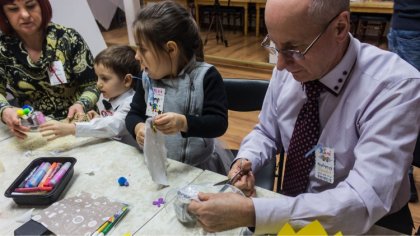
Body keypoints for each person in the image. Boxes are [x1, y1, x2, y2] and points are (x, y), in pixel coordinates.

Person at [188, 0, 420, 234]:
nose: (280, 65)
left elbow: (362, 199)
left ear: (340, 27)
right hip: (292, 207)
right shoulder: (294, 67)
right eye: (275, 47)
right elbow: (267, 131)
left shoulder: (394, 87)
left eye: (293, 50)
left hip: (370, 222)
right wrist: (247, 158)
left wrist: (252, 213)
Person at [125, 1, 229, 174]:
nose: (136, 56)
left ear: (171, 49)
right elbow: (133, 114)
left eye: (143, 49)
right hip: (159, 166)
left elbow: (218, 123)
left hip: (197, 169)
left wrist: (184, 123)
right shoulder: (147, 78)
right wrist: (138, 128)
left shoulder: (206, 77)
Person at [0, 0, 99, 140]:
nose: (25, 15)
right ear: (4, 14)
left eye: (30, 6)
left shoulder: (69, 38)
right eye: (13, 9)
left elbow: (92, 84)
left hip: (77, 125)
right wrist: (5, 110)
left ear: (42, 6)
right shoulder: (3, 49)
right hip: (35, 130)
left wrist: (81, 104)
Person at [39, 45, 140, 147]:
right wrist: (98, 118)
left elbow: (112, 126)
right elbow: (110, 122)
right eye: (97, 77)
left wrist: (72, 129)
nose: (98, 84)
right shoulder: (115, 96)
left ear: (127, 80)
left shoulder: (131, 103)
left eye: (104, 78)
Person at [387, 0, 420, 204]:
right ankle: (402, 171)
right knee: (405, 104)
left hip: (410, 23)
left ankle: (402, 171)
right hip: (412, 23)